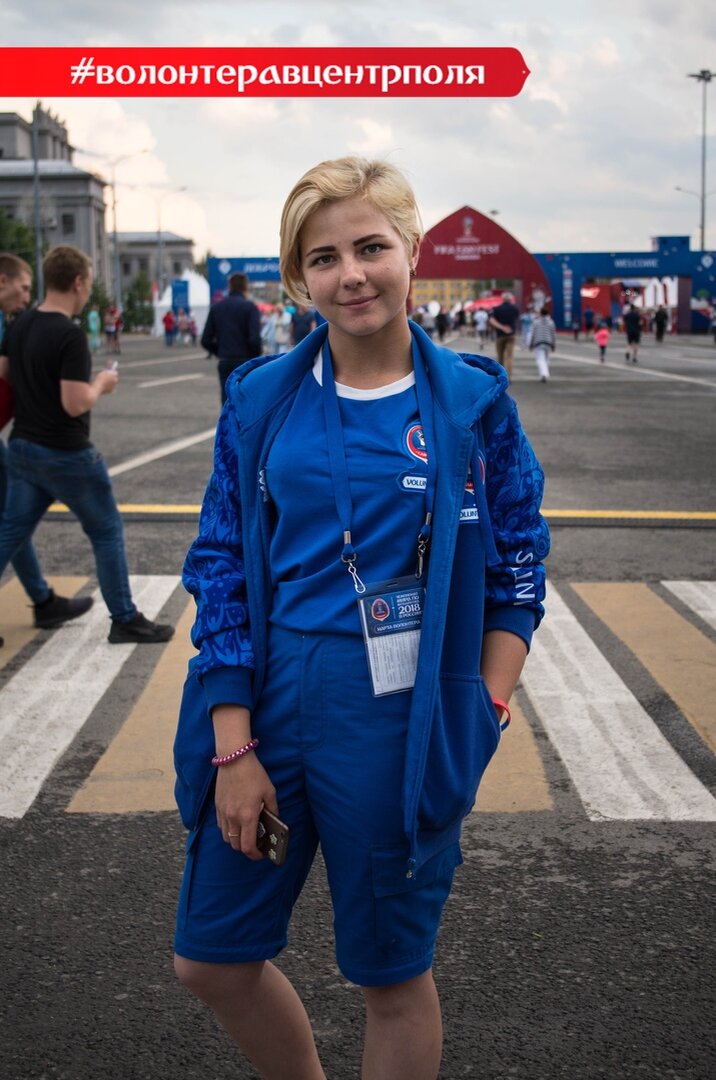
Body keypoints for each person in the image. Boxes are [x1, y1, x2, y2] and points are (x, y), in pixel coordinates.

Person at [172, 156, 549, 1080]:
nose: (352, 275)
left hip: (400, 716)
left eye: (371, 247)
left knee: (391, 974)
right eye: (325, 257)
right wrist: (234, 746)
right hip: (267, 700)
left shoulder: (473, 405)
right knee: (212, 960)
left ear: (411, 250)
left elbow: (520, 562)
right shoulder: (260, 399)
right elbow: (220, 565)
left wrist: (487, 706)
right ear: (298, 277)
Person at [0, 245, 174, 645]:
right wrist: (101, 383)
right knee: (106, 530)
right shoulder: (69, 334)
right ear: (78, 282)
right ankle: (125, 617)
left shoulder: (20, 325)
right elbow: (74, 403)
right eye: (90, 283)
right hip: (67, 453)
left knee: (10, 533)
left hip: (23, 446)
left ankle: (114, 615)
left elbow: (4, 377)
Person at [0, 252, 93, 647]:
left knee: (12, 522)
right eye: (22, 289)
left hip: (14, 439)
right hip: (40, 443)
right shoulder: (30, 326)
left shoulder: (14, 323)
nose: (26, 297)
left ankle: (42, 599)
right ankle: (44, 600)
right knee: (12, 524)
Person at [201, 272, 262, 404]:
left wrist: (220, 351)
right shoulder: (250, 307)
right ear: (245, 287)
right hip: (245, 361)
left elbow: (205, 339)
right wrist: (255, 357)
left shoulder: (217, 308)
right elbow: (254, 339)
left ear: (229, 286)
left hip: (225, 360)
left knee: (227, 402)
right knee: (245, 402)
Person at [488, 290, 520, 381]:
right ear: (511, 299)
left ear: (502, 298)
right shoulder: (515, 308)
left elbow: (491, 320)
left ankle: (501, 376)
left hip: (500, 335)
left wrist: (502, 327)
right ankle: (509, 376)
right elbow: (516, 319)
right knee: (509, 356)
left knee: (500, 356)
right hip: (511, 335)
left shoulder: (497, 309)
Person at [527, 305, 556, 382]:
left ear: (541, 313)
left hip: (538, 343)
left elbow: (533, 334)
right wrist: (553, 345)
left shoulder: (536, 322)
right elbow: (553, 334)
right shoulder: (551, 322)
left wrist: (531, 345)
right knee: (546, 359)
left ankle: (544, 374)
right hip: (548, 343)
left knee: (540, 359)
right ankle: (544, 373)